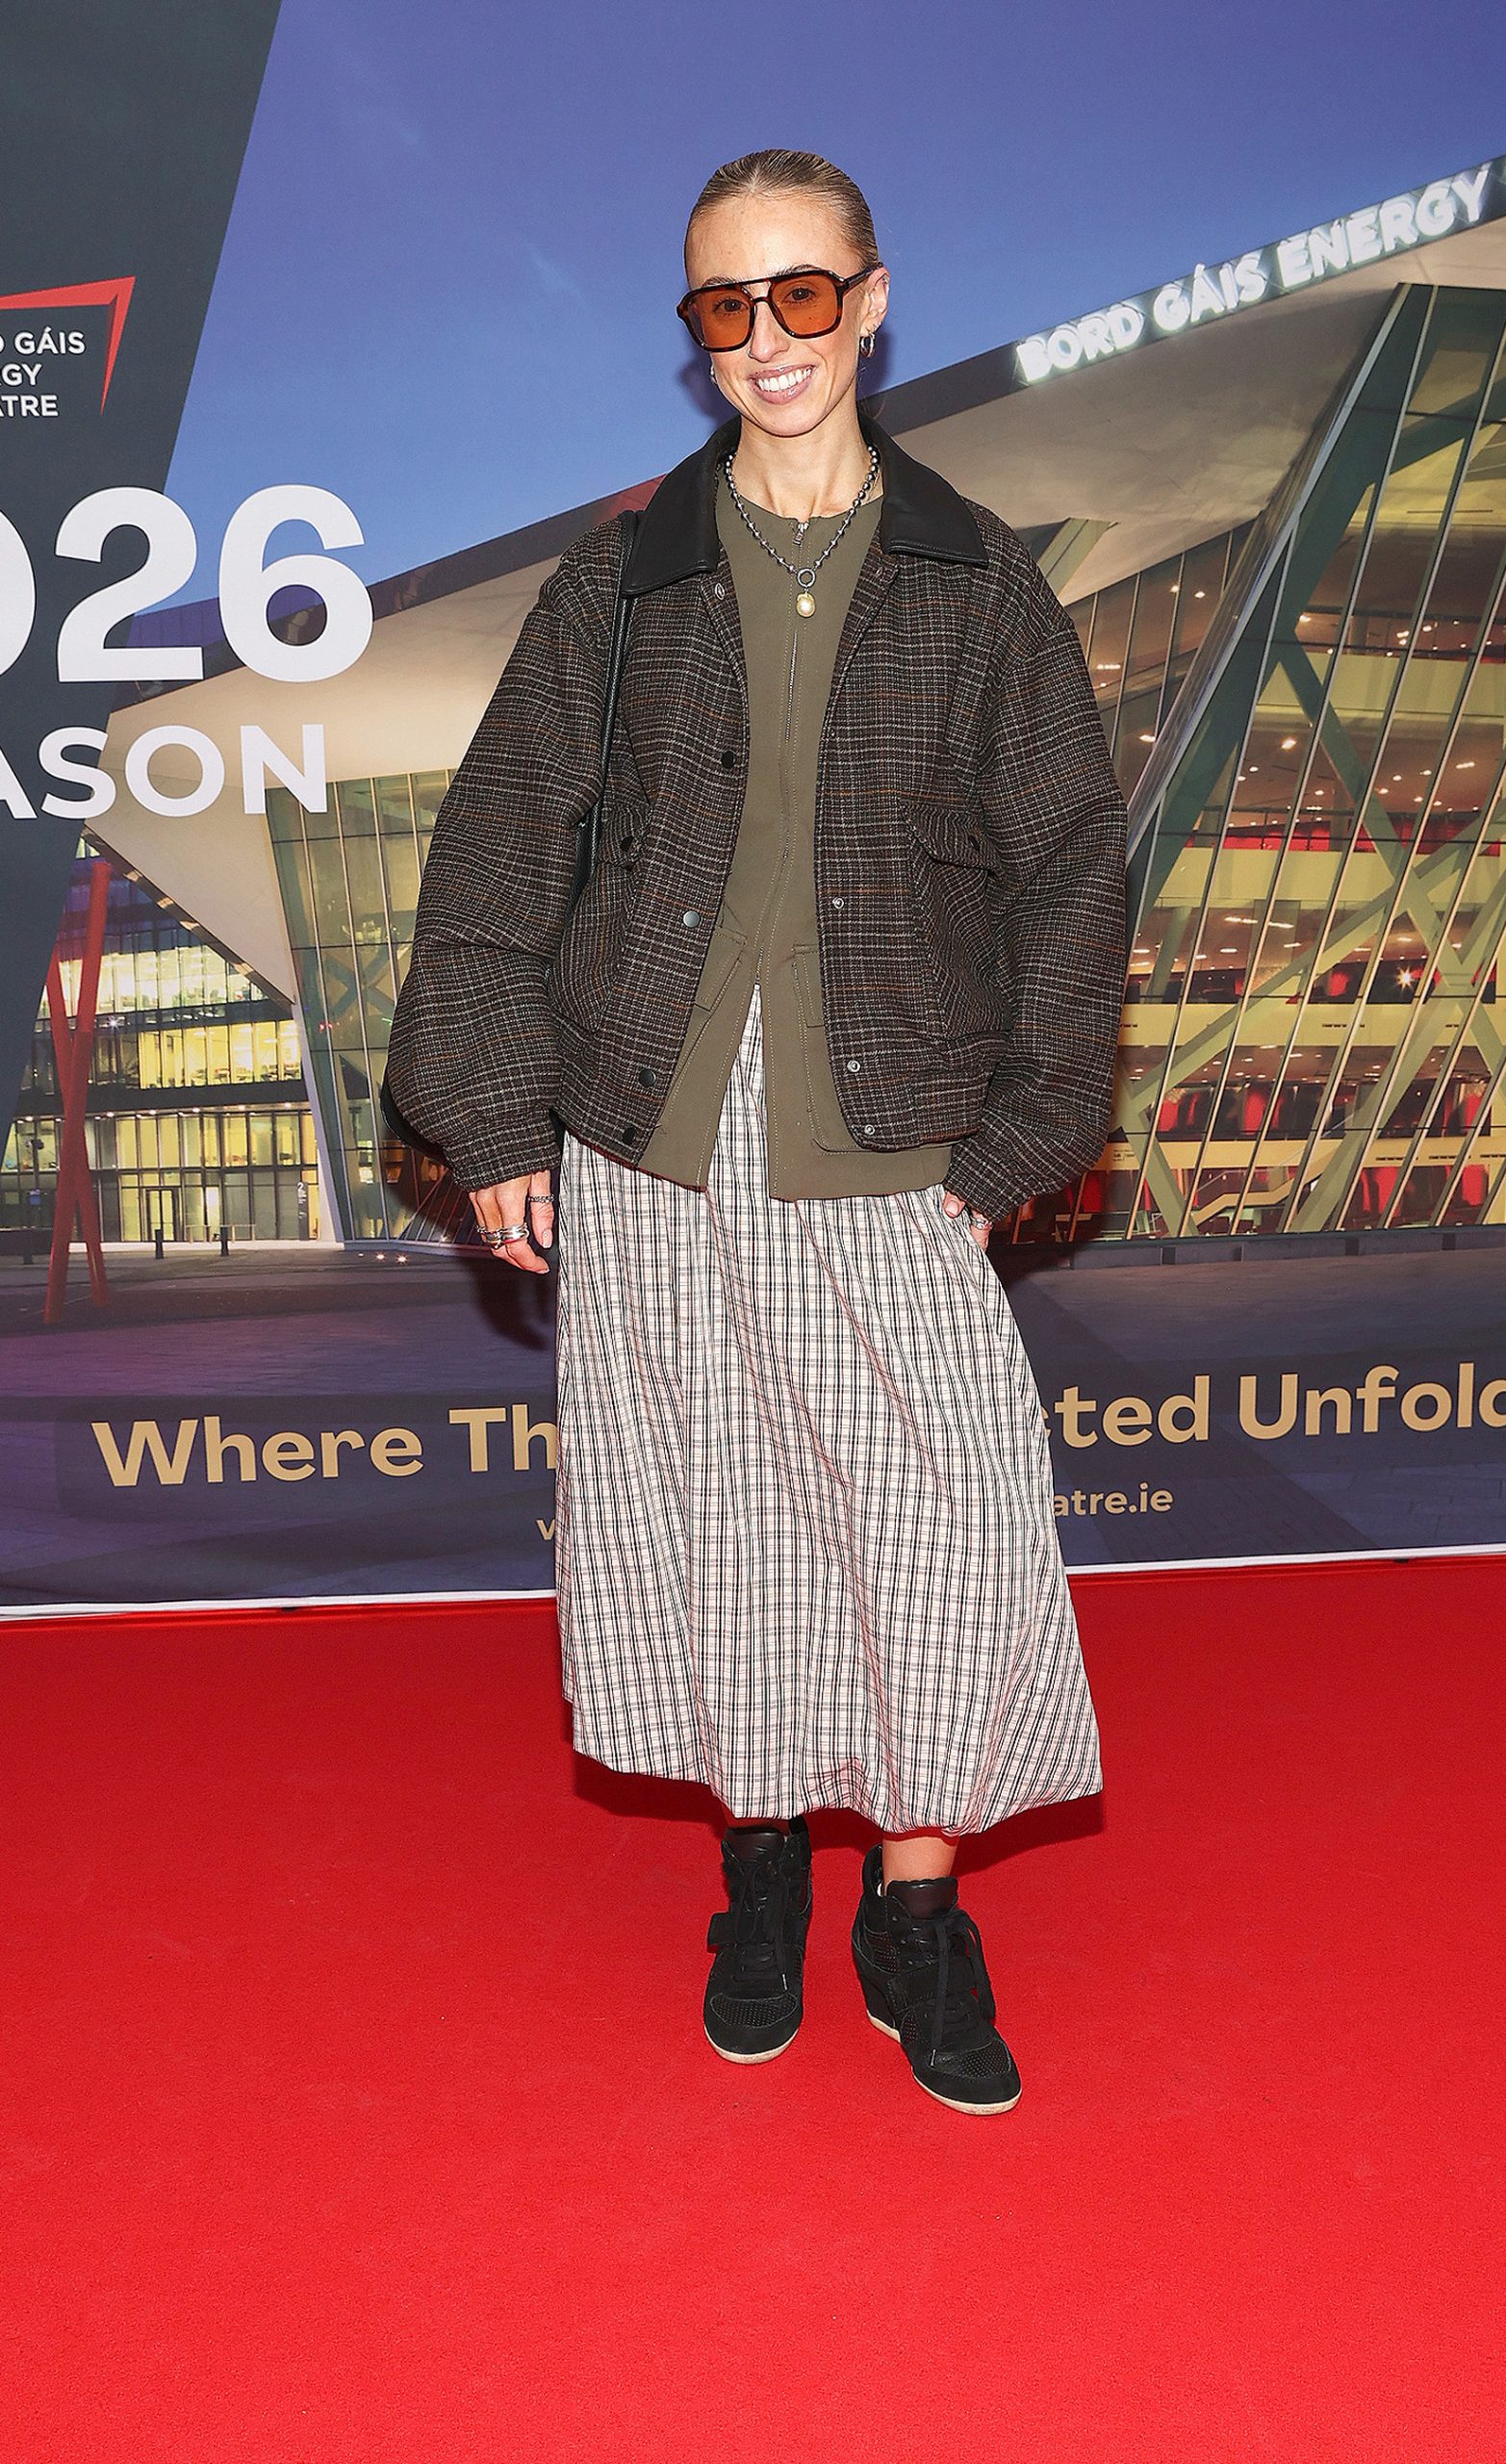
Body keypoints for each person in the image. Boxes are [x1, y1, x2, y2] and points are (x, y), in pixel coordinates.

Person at [386, 148, 1129, 2117]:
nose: (767, 340)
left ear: (869, 302)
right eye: (726, 304)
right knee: (718, 1530)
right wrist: (492, 1110)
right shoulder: (626, 580)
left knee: (944, 1541)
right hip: (652, 1136)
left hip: (895, 1136)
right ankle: (760, 1877)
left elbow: (1072, 876)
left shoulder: (978, 582)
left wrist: (1017, 1144)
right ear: (697, 332)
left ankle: (915, 1905)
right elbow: (500, 849)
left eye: (802, 295)